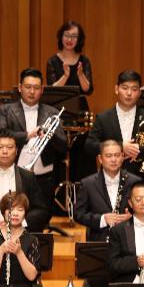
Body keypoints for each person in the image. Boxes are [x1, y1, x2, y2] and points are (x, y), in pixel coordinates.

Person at [0, 68, 67, 208]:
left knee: (42, 214)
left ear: (42, 90)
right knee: (13, 212)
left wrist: (50, 136)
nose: (32, 91)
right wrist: (28, 134)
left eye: (36, 87)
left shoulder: (52, 112)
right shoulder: (6, 110)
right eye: (28, 87)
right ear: (20, 88)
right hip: (14, 174)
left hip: (44, 177)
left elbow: (63, 146)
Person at [83, 70, 144, 178]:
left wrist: (139, 150)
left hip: (140, 179)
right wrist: (119, 147)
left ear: (139, 93)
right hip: (109, 178)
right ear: (116, 89)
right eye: (125, 88)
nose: (129, 93)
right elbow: (89, 146)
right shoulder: (103, 118)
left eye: (134, 89)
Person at [0, 128, 51, 232]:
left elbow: (41, 209)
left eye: (10, 147)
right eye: (0, 147)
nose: (5, 151)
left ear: (16, 150)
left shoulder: (27, 176)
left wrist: (21, 225)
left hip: (21, 235)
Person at [47, 20, 95, 179]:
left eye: (74, 36)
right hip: (59, 111)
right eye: (67, 35)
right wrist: (66, 75)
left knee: (82, 152)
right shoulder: (53, 61)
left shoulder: (84, 61)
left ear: (79, 40)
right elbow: (52, 89)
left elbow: (88, 89)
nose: (69, 39)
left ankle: (82, 188)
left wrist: (80, 74)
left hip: (79, 111)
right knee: (60, 150)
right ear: (61, 36)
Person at [73, 139, 138, 241]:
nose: (113, 159)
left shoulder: (135, 182)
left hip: (129, 242)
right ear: (100, 159)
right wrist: (102, 219)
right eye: (109, 156)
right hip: (99, 242)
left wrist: (133, 218)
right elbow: (78, 214)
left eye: (117, 155)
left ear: (122, 157)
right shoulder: (87, 183)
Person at [0, 191, 44, 287]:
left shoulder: (32, 241)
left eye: (20, 210)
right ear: (4, 212)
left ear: (25, 214)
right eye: (11, 209)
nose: (15, 214)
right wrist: (1, 251)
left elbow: (32, 276)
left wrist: (19, 253)